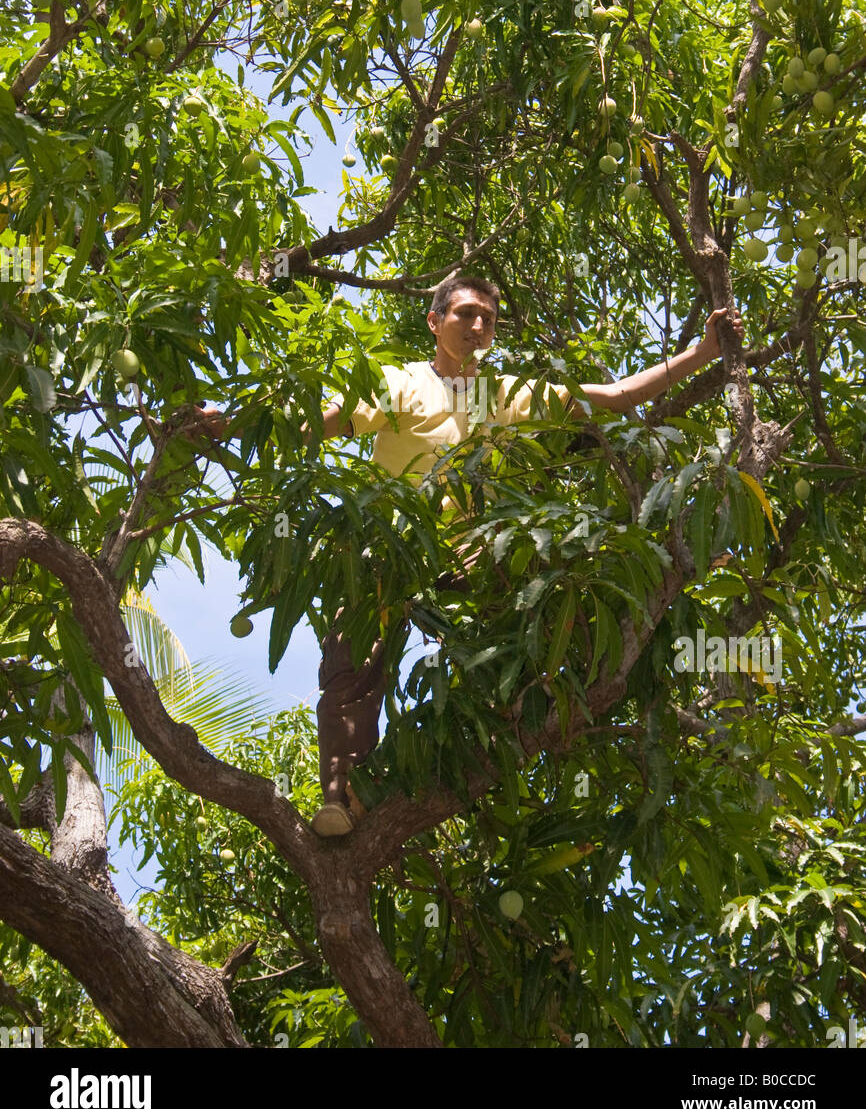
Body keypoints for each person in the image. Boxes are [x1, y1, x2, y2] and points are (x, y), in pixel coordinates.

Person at [188, 276, 744, 836]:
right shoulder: (398, 383)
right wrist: (231, 426)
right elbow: (322, 422)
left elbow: (616, 396)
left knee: (535, 630)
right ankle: (343, 796)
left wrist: (702, 353)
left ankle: (488, 764)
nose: (479, 326)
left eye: (489, 319)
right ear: (435, 321)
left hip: (478, 553)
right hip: (394, 545)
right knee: (351, 658)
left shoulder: (506, 393)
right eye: (466, 314)